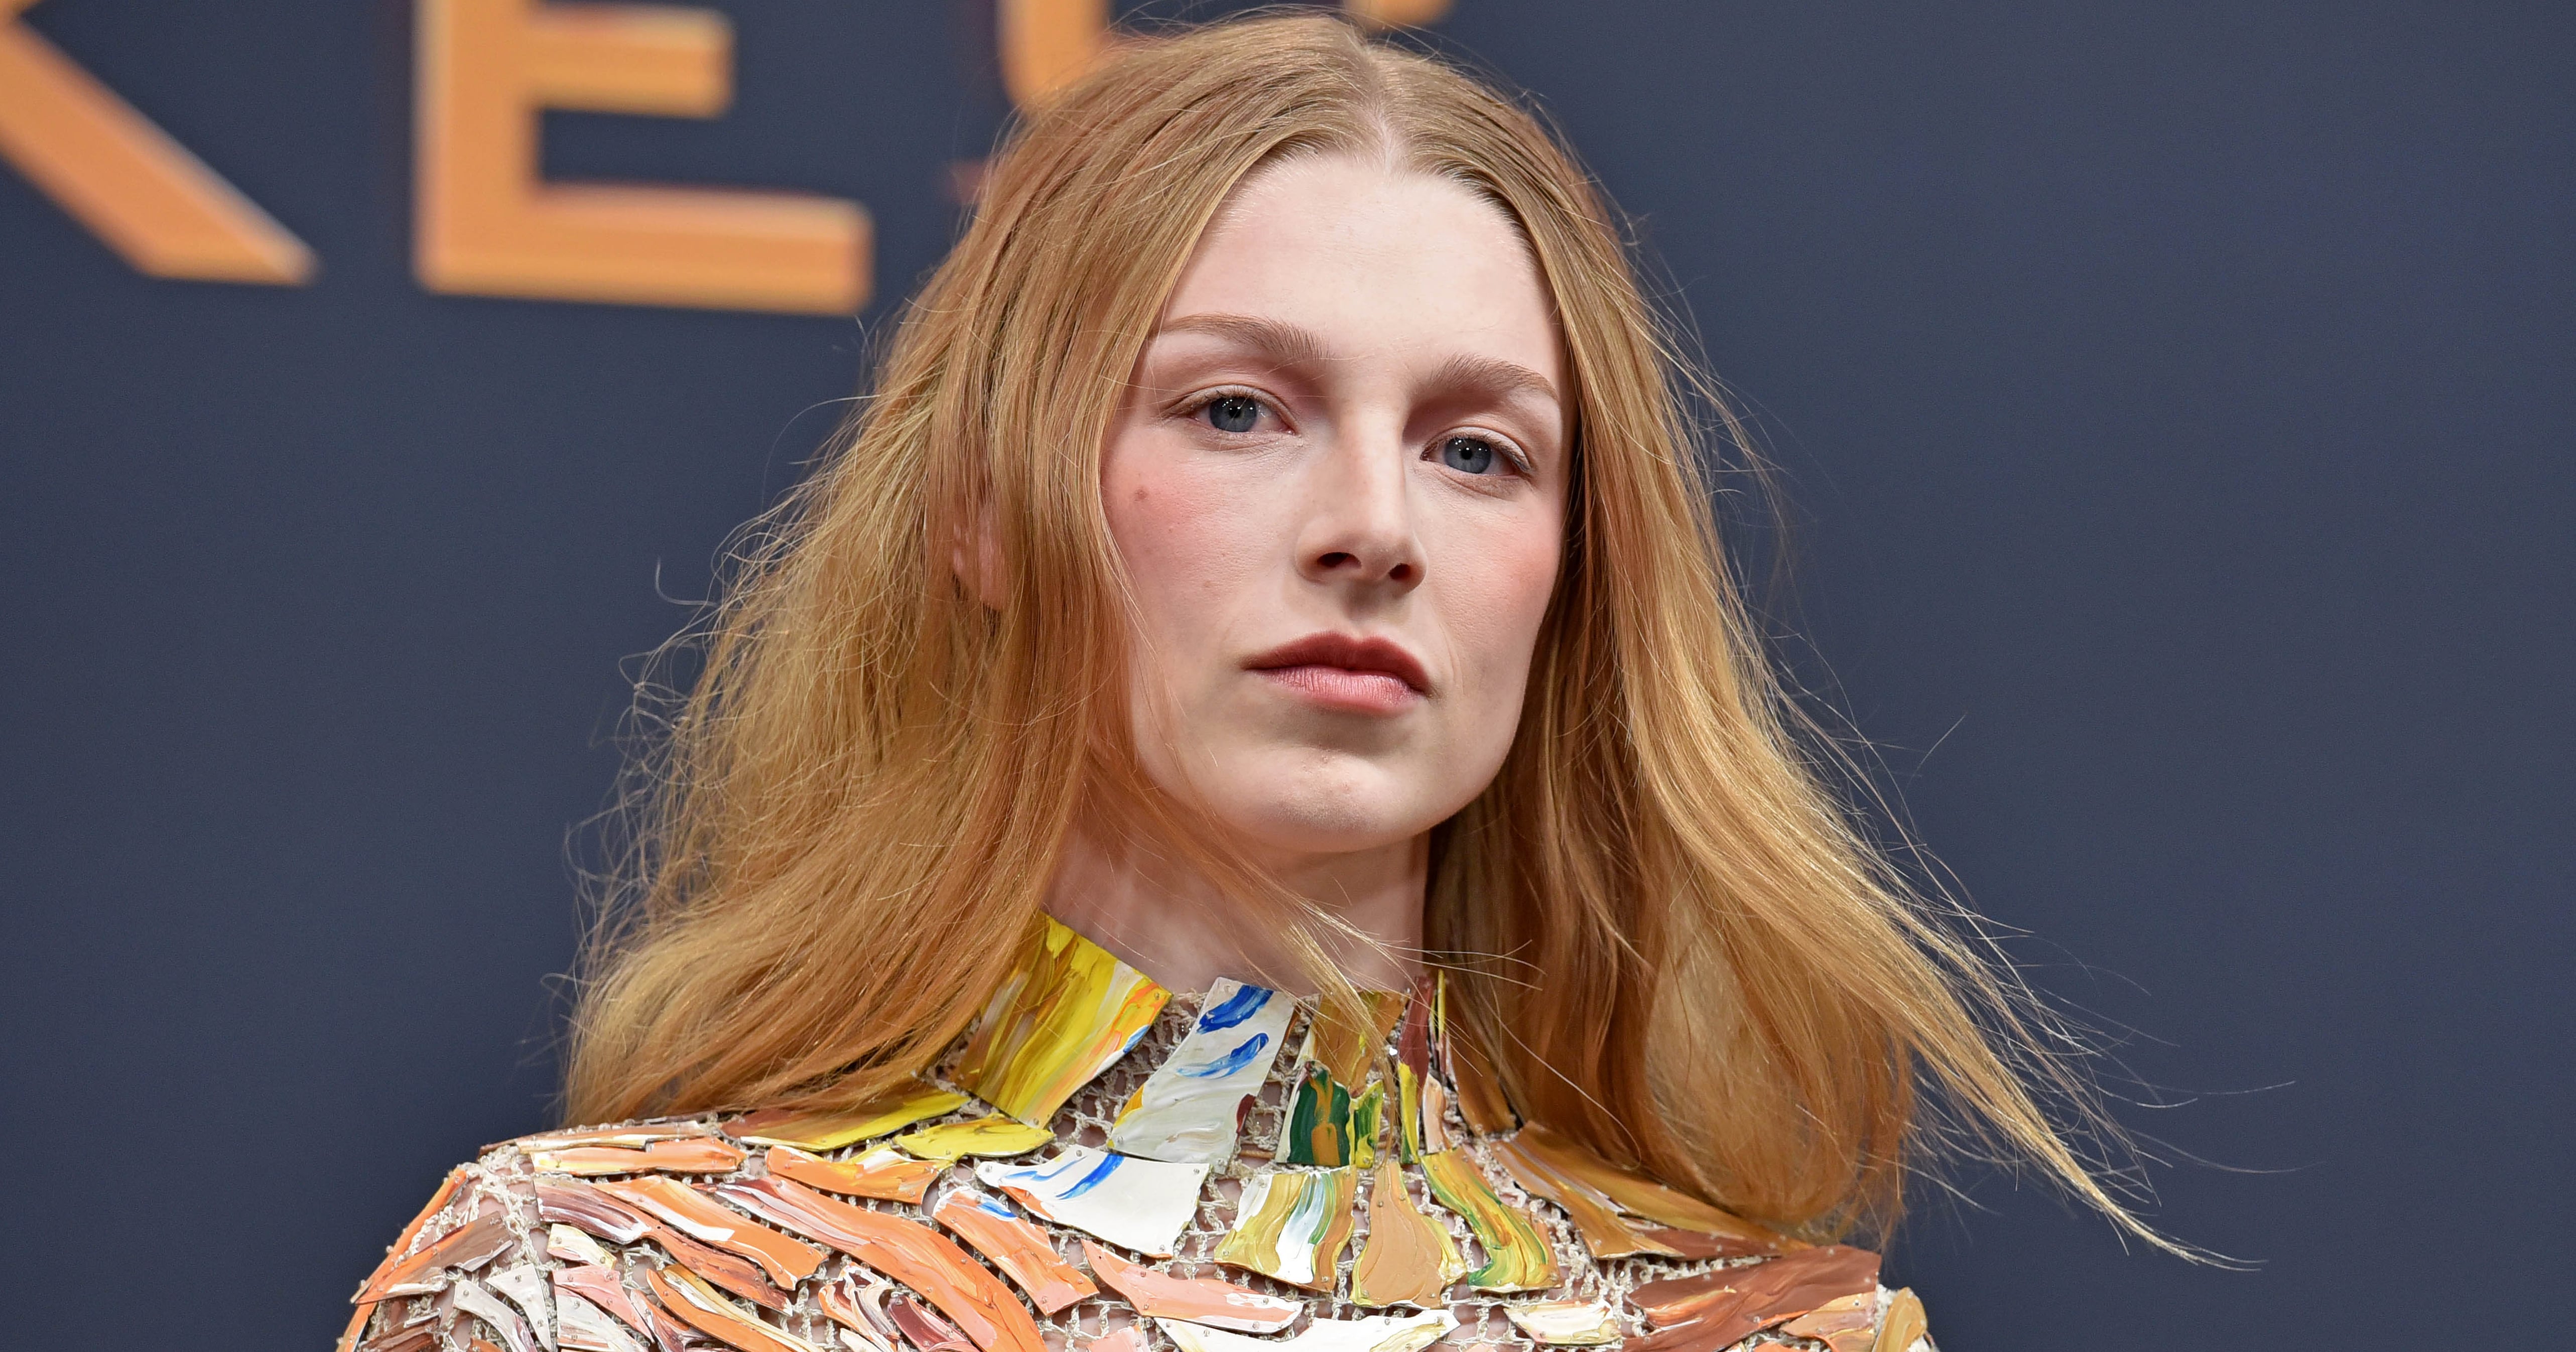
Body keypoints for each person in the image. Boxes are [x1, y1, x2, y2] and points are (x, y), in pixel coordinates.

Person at [341, 15, 2164, 1352]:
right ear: (982, 513)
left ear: (1572, 574)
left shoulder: (1772, 1338)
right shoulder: (603, 1295)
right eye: (1235, 410)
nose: (1373, 526)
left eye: (1477, 450)